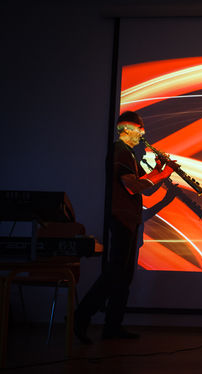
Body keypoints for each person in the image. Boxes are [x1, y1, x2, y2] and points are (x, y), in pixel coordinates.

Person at [74, 111, 177, 344]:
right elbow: (132, 188)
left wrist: (159, 173)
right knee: (114, 275)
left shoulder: (129, 154)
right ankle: (81, 317)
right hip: (121, 218)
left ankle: (112, 326)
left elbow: (145, 188)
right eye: (140, 130)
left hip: (130, 220)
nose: (143, 134)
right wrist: (162, 173)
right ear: (126, 130)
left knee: (124, 277)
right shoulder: (120, 151)